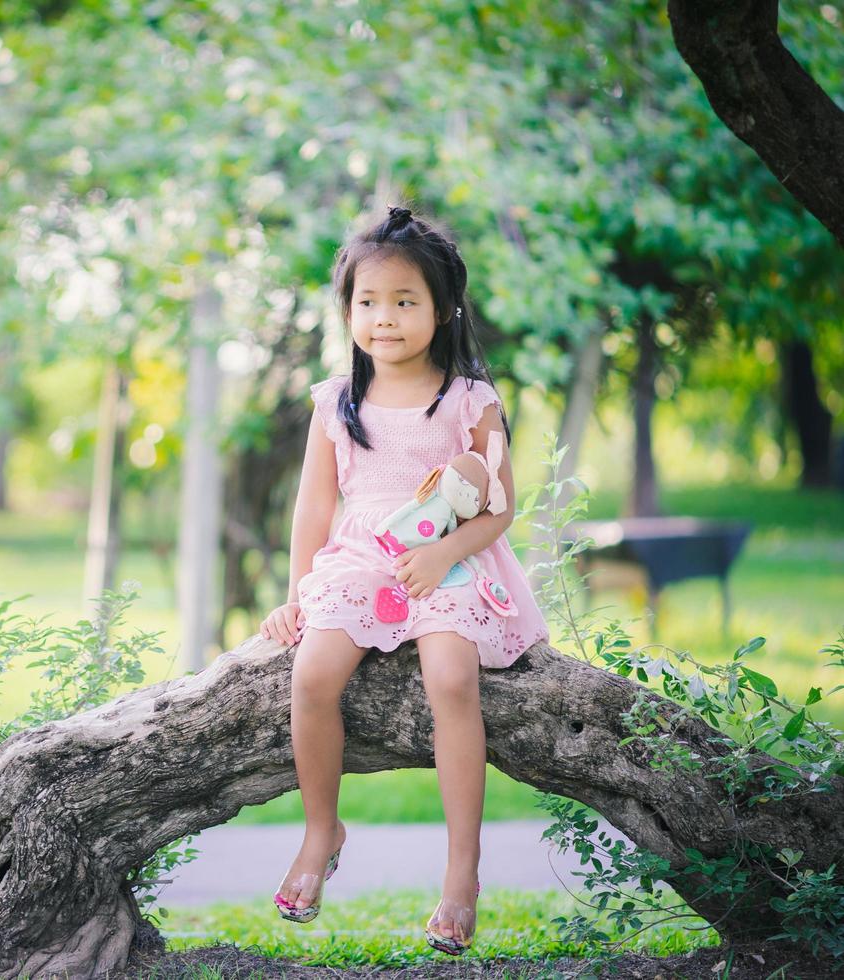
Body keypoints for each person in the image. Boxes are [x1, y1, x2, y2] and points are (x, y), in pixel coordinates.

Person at [259, 203, 550, 956]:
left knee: (450, 675)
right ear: (348, 309)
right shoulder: (337, 400)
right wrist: (296, 596)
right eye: (367, 302)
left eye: (404, 301)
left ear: (444, 307)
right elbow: (314, 507)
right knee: (313, 674)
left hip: (445, 555)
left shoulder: (469, 400)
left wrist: (447, 556)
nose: (383, 319)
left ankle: (462, 870)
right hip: (359, 559)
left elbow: (500, 506)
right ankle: (322, 829)